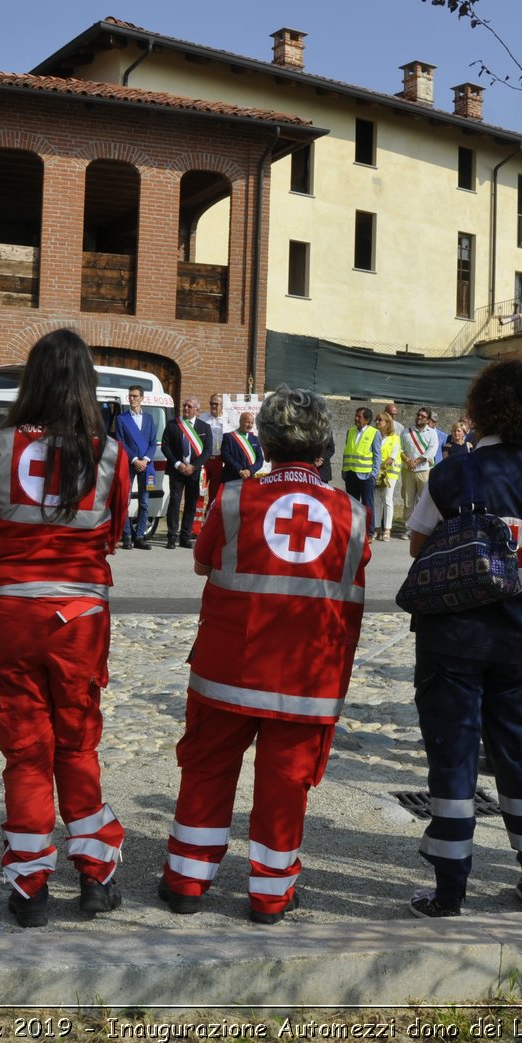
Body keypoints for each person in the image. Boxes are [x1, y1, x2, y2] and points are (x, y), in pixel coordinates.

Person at [160, 386, 370, 923]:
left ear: (266, 443)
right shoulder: (352, 514)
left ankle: (186, 881)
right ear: (323, 448)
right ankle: (270, 894)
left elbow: (203, 565)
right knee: (286, 784)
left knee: (206, 770)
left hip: (229, 667)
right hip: (308, 677)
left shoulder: (233, 498)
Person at [403, 357, 522, 918]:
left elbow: (416, 546)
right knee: (521, 757)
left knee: (452, 760)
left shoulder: (453, 472)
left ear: (480, 409)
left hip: (451, 640)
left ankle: (449, 893)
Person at [0, 328, 129, 928]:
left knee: (24, 750)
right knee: (78, 742)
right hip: (80, 617)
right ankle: (95, 874)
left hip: (11, 610)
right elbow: (113, 532)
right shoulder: (109, 452)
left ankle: (30, 886)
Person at [160, 398, 208, 548]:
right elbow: (165, 446)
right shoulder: (173, 424)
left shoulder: (204, 427)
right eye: (184, 405)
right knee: (174, 502)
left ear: (197, 410)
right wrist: (178, 464)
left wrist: (193, 466)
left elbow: (207, 451)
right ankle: (172, 536)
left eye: (189, 406)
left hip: (193, 471)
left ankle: (185, 537)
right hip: (176, 470)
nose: (186, 408)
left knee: (191, 503)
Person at [114, 384, 155, 550]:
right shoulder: (121, 419)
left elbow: (153, 443)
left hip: (146, 465)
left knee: (144, 502)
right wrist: (134, 460)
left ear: (142, 398)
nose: (132, 399)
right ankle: (127, 536)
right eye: (130, 396)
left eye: (135, 396)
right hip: (129, 464)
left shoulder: (150, 419)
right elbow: (121, 443)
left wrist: (144, 460)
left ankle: (140, 536)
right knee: (125, 500)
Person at [400, 408, 441, 529]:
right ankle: (408, 528)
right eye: (418, 415)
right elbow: (400, 449)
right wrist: (408, 461)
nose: (419, 417)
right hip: (408, 470)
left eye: (423, 416)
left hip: (424, 471)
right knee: (408, 501)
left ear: (428, 420)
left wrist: (416, 461)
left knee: (424, 501)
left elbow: (431, 451)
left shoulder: (432, 433)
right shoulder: (406, 431)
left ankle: (422, 528)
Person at [341, 406, 380, 512]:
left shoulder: (374, 433)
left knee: (367, 505)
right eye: (356, 416)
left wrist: (374, 474)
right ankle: (353, 528)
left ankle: (369, 529)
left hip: (366, 476)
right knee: (351, 505)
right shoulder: (351, 431)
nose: (356, 418)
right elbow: (346, 452)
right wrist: (344, 471)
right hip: (350, 474)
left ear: (367, 420)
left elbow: (377, 455)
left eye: (359, 417)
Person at [372, 412, 402, 541]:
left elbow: (392, 457)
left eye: (380, 420)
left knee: (387, 499)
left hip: (389, 473)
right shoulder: (374, 435)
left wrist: (380, 467)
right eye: (376, 420)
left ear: (387, 423)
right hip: (377, 472)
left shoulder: (395, 438)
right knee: (376, 500)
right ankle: (377, 527)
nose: (377, 422)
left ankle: (387, 529)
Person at [219, 410, 265, 483]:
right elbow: (225, 456)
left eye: (252, 423)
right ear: (240, 422)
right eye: (247, 422)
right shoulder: (229, 437)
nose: (250, 425)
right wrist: (240, 470)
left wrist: (250, 471)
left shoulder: (255, 439)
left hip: (249, 478)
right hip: (231, 478)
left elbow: (260, 460)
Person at [197, 392, 227, 486]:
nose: (214, 406)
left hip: (220, 459)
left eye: (216, 404)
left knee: (215, 491)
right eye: (212, 403)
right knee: (200, 489)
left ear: (222, 405)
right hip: (204, 459)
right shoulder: (202, 418)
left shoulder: (227, 419)